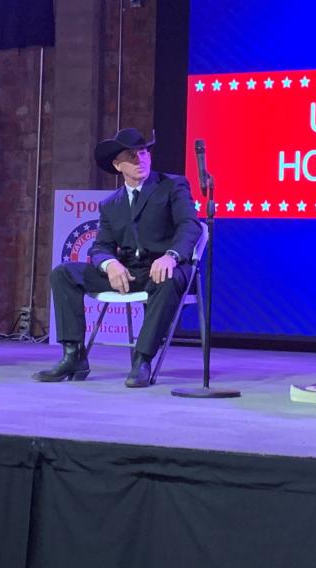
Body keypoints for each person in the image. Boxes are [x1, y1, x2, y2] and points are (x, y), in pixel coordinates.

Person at [36, 127, 201, 388]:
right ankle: (74, 356)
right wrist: (110, 263)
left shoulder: (172, 185)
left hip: (166, 268)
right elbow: (100, 246)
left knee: (167, 278)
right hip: (128, 273)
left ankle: (142, 360)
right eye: (132, 156)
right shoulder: (111, 204)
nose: (141, 160)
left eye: (144, 152)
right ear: (117, 165)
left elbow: (190, 225)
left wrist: (171, 255)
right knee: (64, 273)